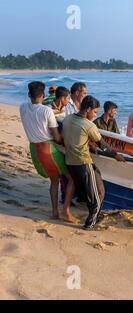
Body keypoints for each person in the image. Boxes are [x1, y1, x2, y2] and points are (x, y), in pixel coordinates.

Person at [63, 95, 125, 230]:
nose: (95, 114)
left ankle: (96, 216)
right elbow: (102, 144)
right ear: (88, 109)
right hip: (83, 163)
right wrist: (115, 155)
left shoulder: (67, 119)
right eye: (95, 112)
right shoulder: (88, 124)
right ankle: (89, 224)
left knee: (100, 189)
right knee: (95, 197)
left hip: (70, 162)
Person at [19, 81, 77, 223]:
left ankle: (55, 212)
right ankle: (66, 211)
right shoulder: (47, 111)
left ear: (28, 94)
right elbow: (57, 138)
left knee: (54, 181)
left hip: (34, 151)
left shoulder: (22, 107)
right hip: (48, 150)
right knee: (72, 178)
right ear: (43, 95)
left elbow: (35, 111)